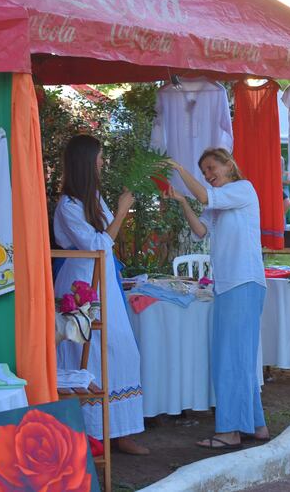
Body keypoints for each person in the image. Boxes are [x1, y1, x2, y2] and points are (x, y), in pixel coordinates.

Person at [166, 148, 268, 450]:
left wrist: (179, 168)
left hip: (242, 281)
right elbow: (199, 231)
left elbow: (206, 197)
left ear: (228, 164)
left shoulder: (242, 189)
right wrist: (184, 201)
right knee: (238, 357)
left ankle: (230, 430)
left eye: (212, 168)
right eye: (204, 171)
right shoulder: (220, 197)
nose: (209, 175)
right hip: (229, 285)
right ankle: (255, 425)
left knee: (231, 358)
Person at [53, 135, 148, 455]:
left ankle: (121, 430)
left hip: (105, 281)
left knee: (121, 351)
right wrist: (122, 212)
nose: (101, 163)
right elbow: (95, 245)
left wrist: (116, 211)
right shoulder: (68, 205)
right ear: (85, 162)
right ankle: (93, 432)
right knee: (91, 354)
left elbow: (104, 242)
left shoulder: (93, 197)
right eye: (98, 158)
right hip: (80, 285)